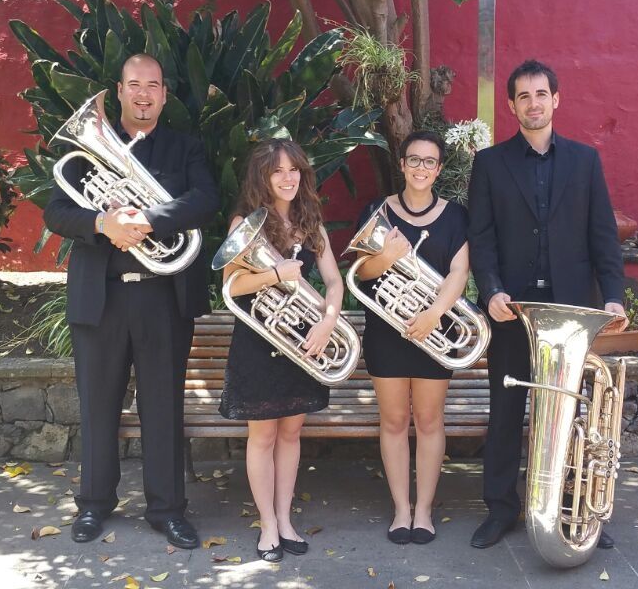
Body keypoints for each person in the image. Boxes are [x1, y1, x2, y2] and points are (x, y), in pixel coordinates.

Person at [43, 53, 219, 547]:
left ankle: (167, 510)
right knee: (99, 405)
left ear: (165, 95)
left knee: (163, 407)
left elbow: (205, 199)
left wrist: (148, 221)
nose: (144, 93)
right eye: (134, 84)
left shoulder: (185, 149)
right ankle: (94, 506)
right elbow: (55, 212)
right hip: (100, 299)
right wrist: (103, 224)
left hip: (163, 300)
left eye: (154, 85)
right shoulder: (84, 156)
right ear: (118, 91)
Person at [466, 59, 627, 550]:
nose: (533, 103)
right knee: (506, 411)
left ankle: (575, 512)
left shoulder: (585, 160)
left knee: (573, 416)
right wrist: (490, 288)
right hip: (512, 311)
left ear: (556, 99)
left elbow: (603, 235)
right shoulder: (490, 163)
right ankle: (501, 509)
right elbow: (482, 237)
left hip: (571, 314)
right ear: (512, 105)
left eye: (541, 94)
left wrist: (615, 297)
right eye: (523, 96)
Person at [217, 139, 345, 563]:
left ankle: (286, 519)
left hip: (303, 342)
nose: (288, 178)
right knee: (263, 436)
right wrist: (275, 273)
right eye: (277, 171)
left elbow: (334, 283)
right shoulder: (245, 224)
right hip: (259, 342)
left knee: (291, 433)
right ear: (262, 177)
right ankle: (267, 524)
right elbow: (231, 287)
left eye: (294, 170)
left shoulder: (312, 223)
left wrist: (328, 320)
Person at [352, 130, 471, 546]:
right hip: (387, 331)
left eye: (429, 162)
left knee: (429, 420)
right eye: (414, 160)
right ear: (402, 165)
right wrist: (386, 257)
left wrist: (435, 313)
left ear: (439, 169)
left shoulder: (456, 216)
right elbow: (361, 275)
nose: (421, 168)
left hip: (434, 331)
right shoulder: (378, 211)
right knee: (394, 421)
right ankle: (401, 509)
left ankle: (424, 511)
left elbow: (459, 273)